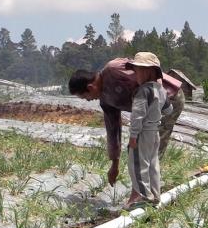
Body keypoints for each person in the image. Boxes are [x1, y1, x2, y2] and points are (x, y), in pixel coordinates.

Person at [68, 52, 184, 187]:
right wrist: (114, 165)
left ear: (90, 87)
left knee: (149, 148)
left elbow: (149, 75)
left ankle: (150, 193)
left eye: (85, 97)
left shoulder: (114, 69)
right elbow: (113, 131)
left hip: (170, 98)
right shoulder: (105, 101)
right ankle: (145, 190)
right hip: (150, 111)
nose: (88, 101)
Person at [125, 53, 173, 208]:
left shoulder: (143, 91)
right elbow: (169, 110)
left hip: (143, 133)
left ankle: (144, 197)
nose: (135, 74)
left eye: (138, 70)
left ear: (149, 71)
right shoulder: (161, 90)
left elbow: (137, 116)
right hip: (155, 132)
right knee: (153, 163)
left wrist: (133, 136)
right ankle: (155, 195)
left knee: (138, 164)